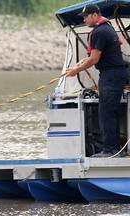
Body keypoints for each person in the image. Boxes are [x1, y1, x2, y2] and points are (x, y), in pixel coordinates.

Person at [66, 4, 128, 157]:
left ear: (95, 15)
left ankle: (110, 151)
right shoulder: (106, 28)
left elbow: (94, 59)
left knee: (106, 113)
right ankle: (115, 150)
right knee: (109, 112)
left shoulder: (99, 31)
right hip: (114, 74)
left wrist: (75, 71)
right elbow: (96, 55)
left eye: (86, 16)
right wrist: (82, 62)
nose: (84, 20)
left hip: (111, 76)